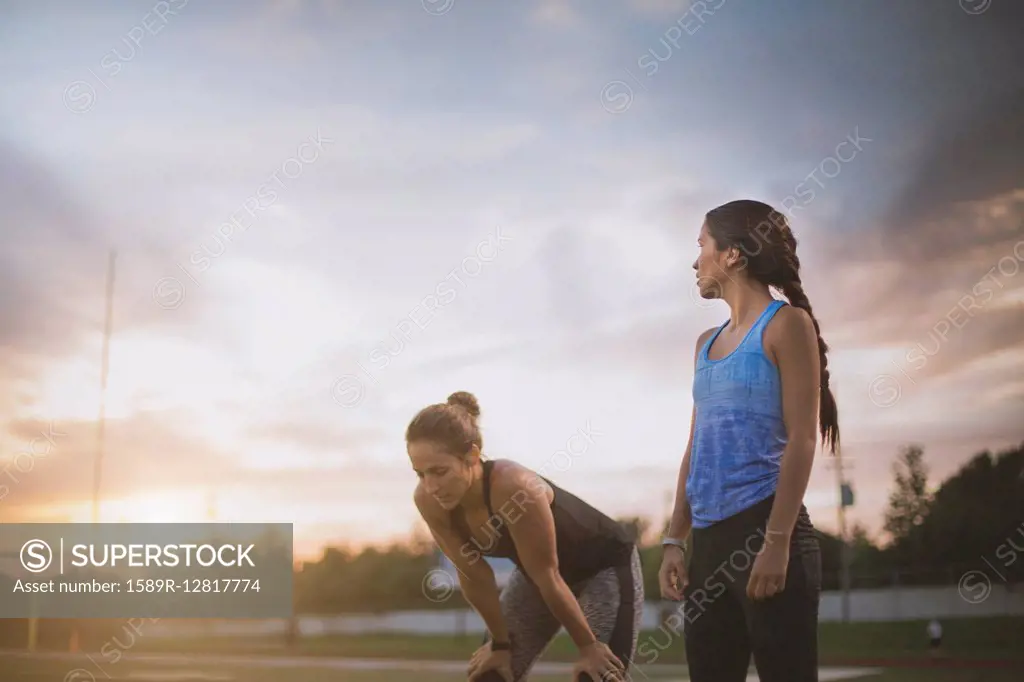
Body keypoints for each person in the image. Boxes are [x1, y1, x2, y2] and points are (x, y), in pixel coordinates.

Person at [658, 199, 836, 682]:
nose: (696, 262)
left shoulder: (786, 325)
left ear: (733, 254)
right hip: (709, 546)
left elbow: (802, 438)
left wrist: (776, 543)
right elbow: (696, 449)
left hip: (768, 530)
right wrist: (676, 538)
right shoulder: (704, 344)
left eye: (702, 246)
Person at [407, 391, 644, 682]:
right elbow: (474, 575)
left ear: (471, 455)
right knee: (491, 675)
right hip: (537, 577)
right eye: (420, 474)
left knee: (599, 676)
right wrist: (500, 644)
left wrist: (588, 646)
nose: (431, 486)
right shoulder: (430, 501)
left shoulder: (514, 486)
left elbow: (549, 575)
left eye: (439, 471)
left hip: (603, 568)